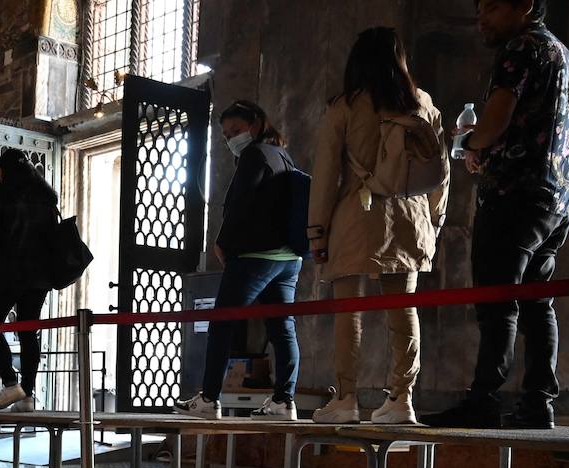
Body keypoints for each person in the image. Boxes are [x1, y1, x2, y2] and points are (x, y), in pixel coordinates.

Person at [425, 0, 569, 429]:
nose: (481, 18)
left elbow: (494, 123)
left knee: (497, 303)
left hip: (513, 196)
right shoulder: (564, 56)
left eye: (492, 7)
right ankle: (538, 403)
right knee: (537, 302)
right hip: (555, 198)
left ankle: (483, 400)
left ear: (525, 5)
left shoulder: (520, 49)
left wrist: (472, 144)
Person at [309, 27, 449, 425]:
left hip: (357, 215)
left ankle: (346, 398)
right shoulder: (422, 104)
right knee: (402, 309)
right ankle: (401, 398)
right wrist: (434, 221)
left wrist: (317, 232)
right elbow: (441, 174)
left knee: (349, 310)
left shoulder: (346, 107)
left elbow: (324, 176)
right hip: (410, 216)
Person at [174, 100, 304, 420]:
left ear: (256, 124)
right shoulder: (282, 155)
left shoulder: (253, 155)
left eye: (236, 130)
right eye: (226, 134)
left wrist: (223, 243)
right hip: (288, 258)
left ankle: (208, 399)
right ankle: (284, 401)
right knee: (282, 328)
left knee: (222, 323)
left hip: (254, 256)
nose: (232, 138)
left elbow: (239, 205)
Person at [0, 148, 59, 412]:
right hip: (39, 276)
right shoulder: (46, 198)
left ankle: (10, 381)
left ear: (3, 170)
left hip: (8, 272)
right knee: (28, 332)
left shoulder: (0, 193)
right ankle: (28, 395)